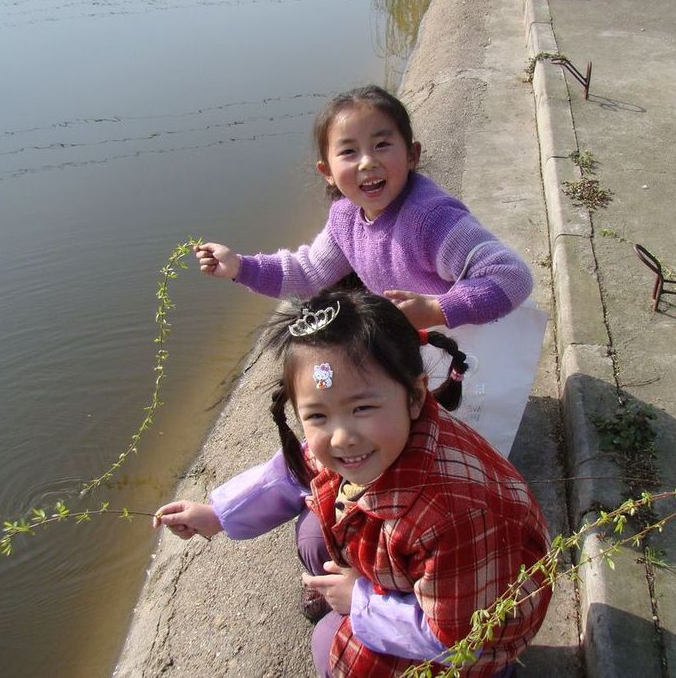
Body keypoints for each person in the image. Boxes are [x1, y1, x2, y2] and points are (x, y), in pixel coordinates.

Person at [153, 288, 552, 677]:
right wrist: (216, 515)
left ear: (415, 396)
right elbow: (293, 471)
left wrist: (358, 601)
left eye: (362, 408)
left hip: (470, 635)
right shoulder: (383, 436)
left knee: (331, 649)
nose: (342, 436)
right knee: (314, 542)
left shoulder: (454, 514)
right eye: (318, 417)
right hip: (432, 577)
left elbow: (458, 636)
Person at [193, 84, 532, 331]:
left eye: (382, 145)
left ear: (412, 154)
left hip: (459, 338)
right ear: (327, 172)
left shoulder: (430, 220)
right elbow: (307, 273)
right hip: (412, 342)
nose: (368, 162)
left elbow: (512, 276)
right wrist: (239, 266)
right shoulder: (345, 219)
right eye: (349, 152)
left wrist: (435, 309)